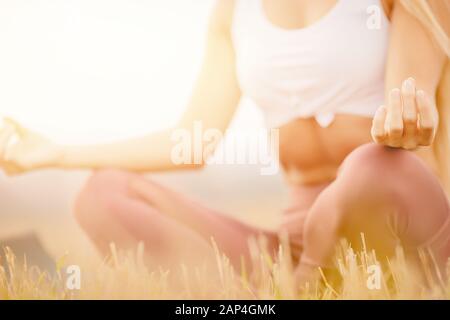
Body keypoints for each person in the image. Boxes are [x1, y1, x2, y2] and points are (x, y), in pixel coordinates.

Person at [0, 0, 449, 282]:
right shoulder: (235, 12)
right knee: (102, 195)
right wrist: (57, 154)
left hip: (393, 222)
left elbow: (411, 96)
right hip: (294, 250)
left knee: (371, 166)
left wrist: (412, 115)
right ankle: (297, 287)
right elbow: (192, 142)